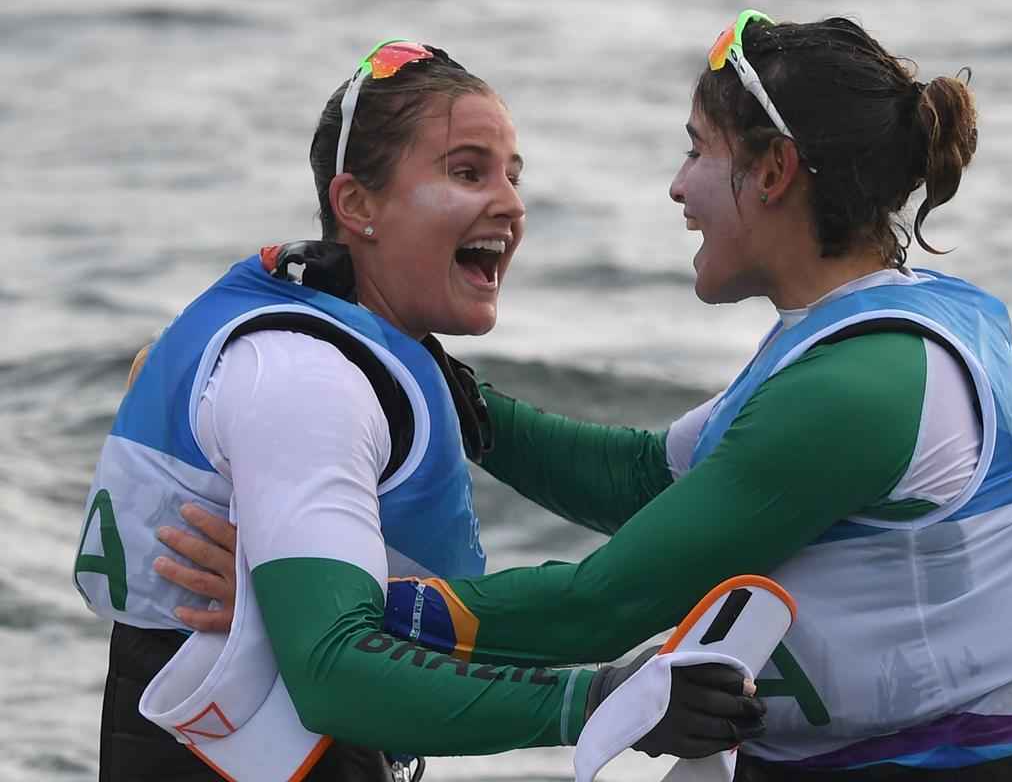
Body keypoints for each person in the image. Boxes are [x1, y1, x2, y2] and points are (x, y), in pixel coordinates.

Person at [163, 12, 1012, 781]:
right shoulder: (890, 326)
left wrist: (326, 609)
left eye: (697, 151)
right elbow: (647, 482)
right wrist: (446, 388)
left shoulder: (857, 389)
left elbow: (600, 607)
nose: (677, 186)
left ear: (772, 172)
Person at [72, 39, 766, 782]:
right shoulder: (309, 380)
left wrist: (284, 596)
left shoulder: (330, 351)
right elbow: (334, 670)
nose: (511, 204)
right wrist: (594, 700)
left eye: (512, 176)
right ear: (356, 205)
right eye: (467, 172)